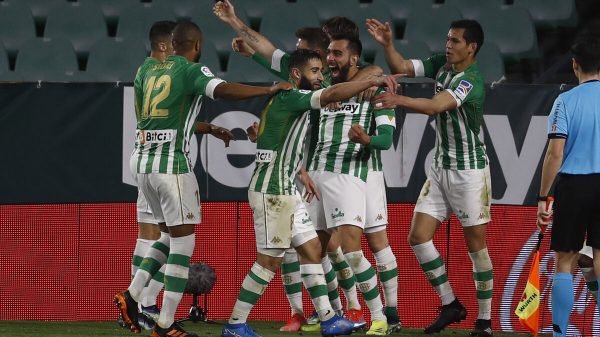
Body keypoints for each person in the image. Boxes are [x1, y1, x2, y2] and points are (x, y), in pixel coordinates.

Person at [114, 20, 292, 337]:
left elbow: (151, 120)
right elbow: (221, 90)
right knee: (183, 244)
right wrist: (268, 89)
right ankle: (165, 325)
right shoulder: (191, 70)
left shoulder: (146, 71)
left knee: (166, 237)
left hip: (141, 161)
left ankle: (132, 295)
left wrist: (206, 127)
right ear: (196, 44)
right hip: (171, 166)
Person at [232, 26, 367, 332]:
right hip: (273, 192)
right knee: (268, 262)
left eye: (322, 71)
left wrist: (298, 170)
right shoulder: (293, 96)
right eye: (315, 71)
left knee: (311, 250)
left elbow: (272, 139)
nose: (321, 77)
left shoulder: (288, 95)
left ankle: (329, 319)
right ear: (297, 74)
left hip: (286, 188)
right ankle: (235, 324)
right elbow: (331, 93)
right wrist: (371, 81)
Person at [368, 19, 493, 336]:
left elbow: (437, 106)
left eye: (455, 41)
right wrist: (387, 45)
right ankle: (451, 304)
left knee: (476, 248)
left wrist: (400, 100)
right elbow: (401, 65)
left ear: (472, 47)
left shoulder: (471, 81)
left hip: (469, 173)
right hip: (440, 168)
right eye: (448, 38)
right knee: (418, 237)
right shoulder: (442, 65)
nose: (448, 45)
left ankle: (485, 321)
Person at [537, 34, 600, 337]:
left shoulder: (565, 101)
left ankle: (560, 333)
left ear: (574, 65)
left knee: (565, 259)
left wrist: (542, 197)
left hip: (574, 186)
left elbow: (555, 153)